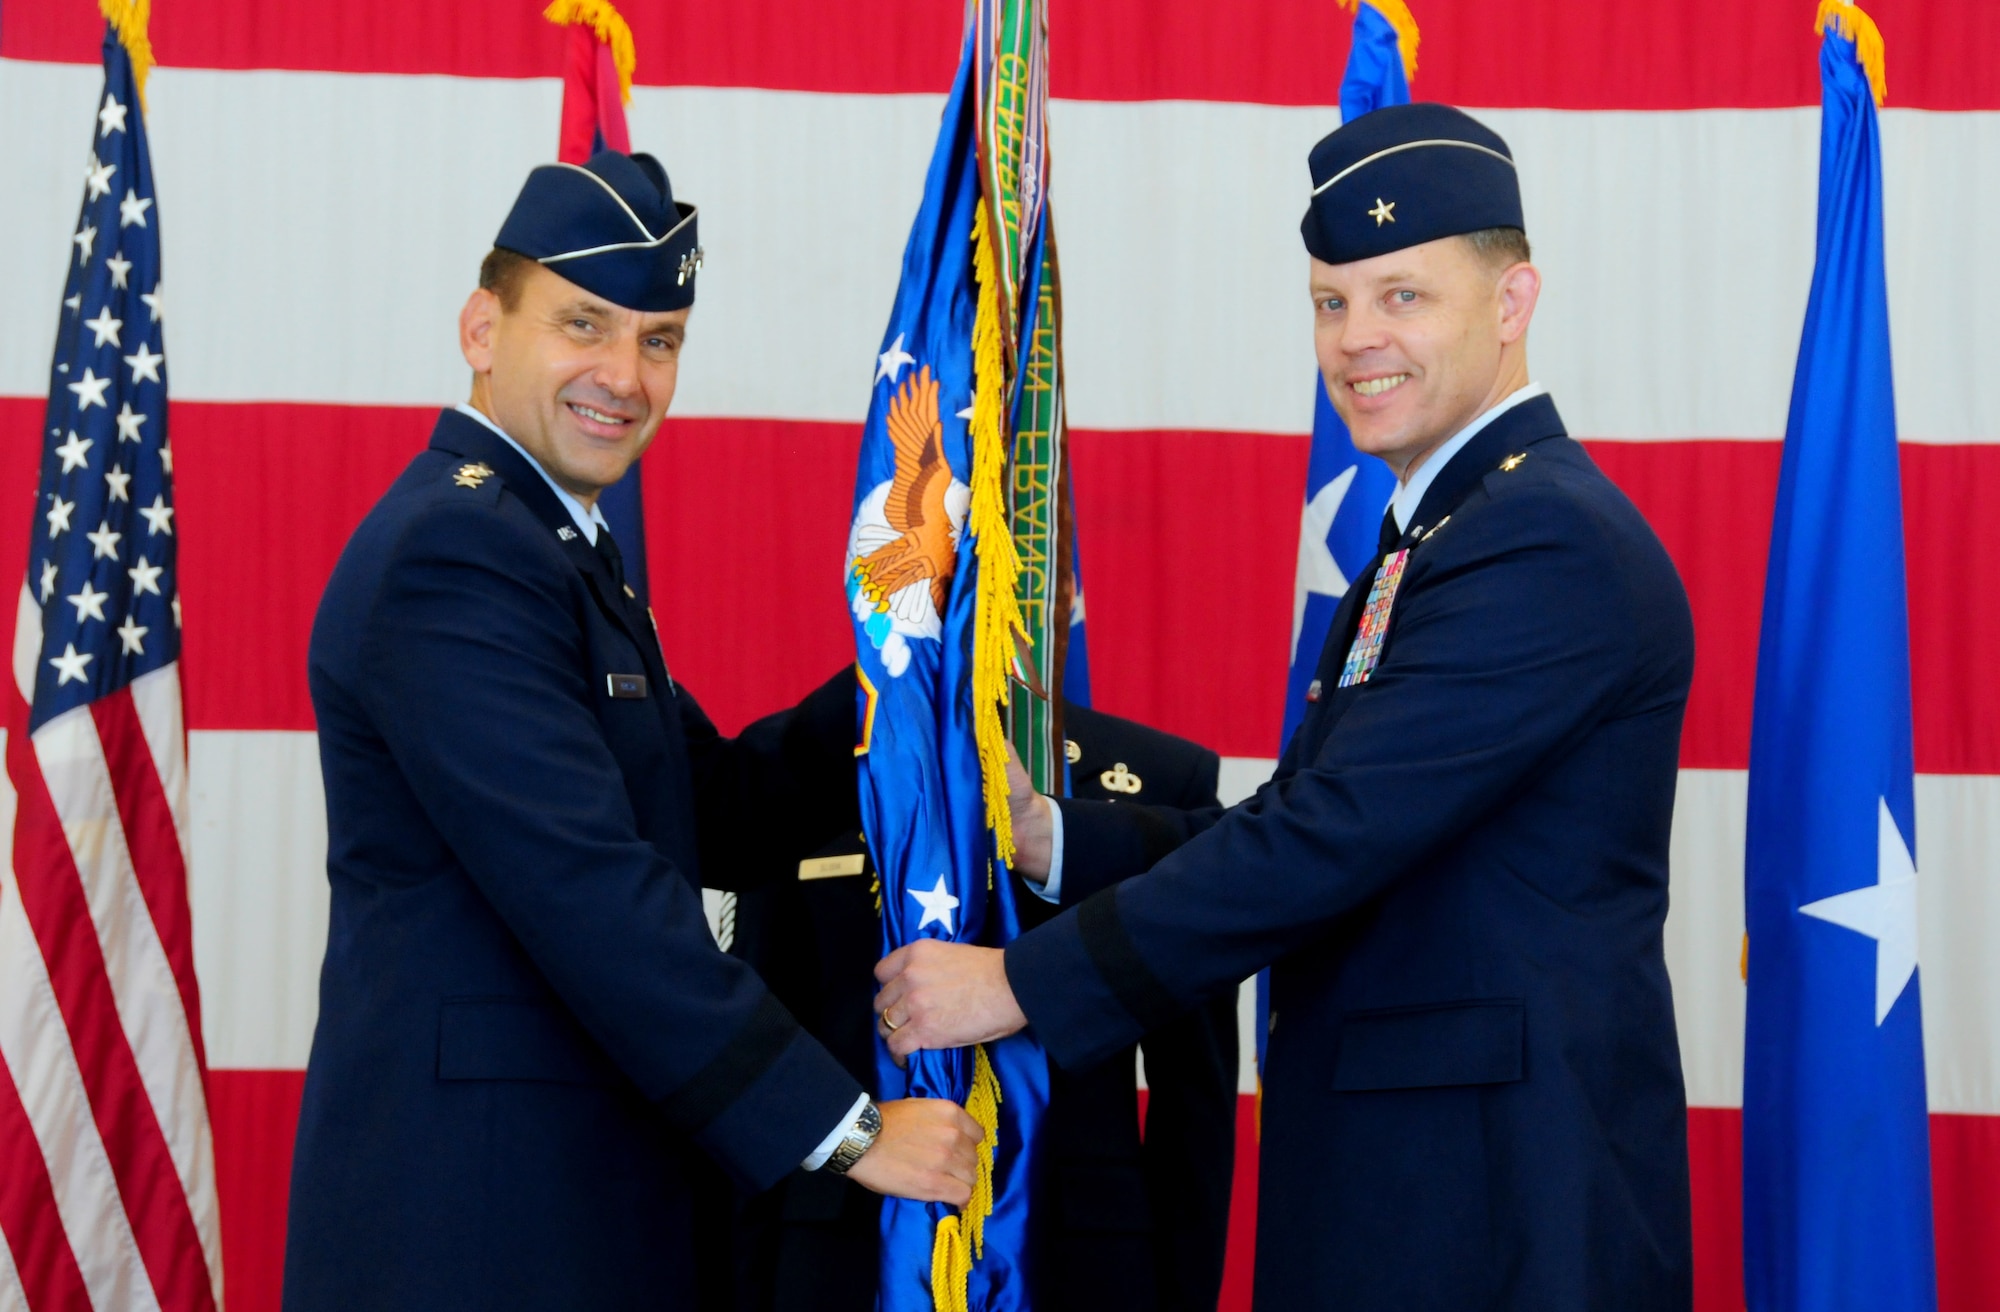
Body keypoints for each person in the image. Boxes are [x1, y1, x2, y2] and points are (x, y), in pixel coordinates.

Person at [871, 103, 1697, 1310]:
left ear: (1511, 303)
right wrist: (1055, 835)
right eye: (1330, 300)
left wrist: (1018, 982)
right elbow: (1330, 815)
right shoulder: (1441, 532)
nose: (1356, 338)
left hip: (1493, 1210)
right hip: (1417, 1189)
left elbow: (1327, 839)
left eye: (1400, 296)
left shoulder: (1541, 540)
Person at [285, 150, 982, 1311]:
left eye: (658, 339)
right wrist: (846, 1127)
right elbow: (590, 886)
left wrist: (907, 685)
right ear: (480, 326)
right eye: (583, 324)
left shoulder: (551, 549)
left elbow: (701, 808)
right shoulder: (458, 554)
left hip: (560, 1201)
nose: (623, 373)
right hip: (479, 1225)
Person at [715, 702, 1237, 1312]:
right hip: (836, 1246)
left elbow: (1193, 1093)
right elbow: (761, 1025)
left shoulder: (1159, 771)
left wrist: (1183, 1291)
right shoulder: (802, 764)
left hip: (1079, 1254)